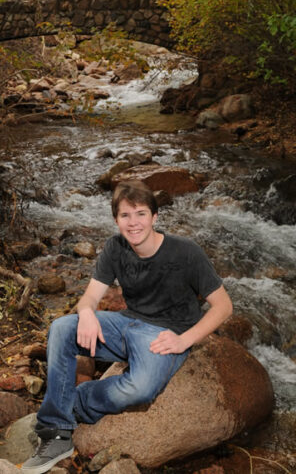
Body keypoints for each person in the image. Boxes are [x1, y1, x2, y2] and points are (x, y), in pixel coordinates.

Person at [22, 180, 233, 474]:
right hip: (126, 323)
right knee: (62, 328)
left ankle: (73, 402)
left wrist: (185, 341)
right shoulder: (115, 247)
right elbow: (90, 298)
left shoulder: (186, 252)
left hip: (163, 334)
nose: (133, 223)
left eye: (141, 214)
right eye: (125, 216)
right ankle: (57, 433)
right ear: (116, 219)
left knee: (141, 388)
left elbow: (223, 306)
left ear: (155, 217)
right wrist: (85, 313)